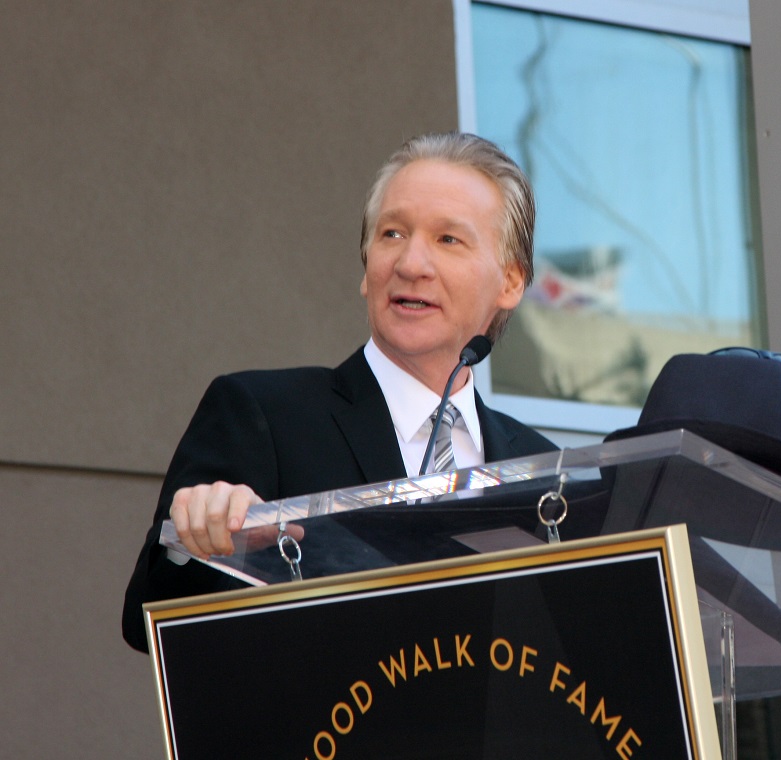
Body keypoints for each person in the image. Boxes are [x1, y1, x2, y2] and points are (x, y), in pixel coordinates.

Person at [122, 132, 558, 652]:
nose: (410, 264)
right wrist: (200, 543)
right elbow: (147, 621)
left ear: (510, 282)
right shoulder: (264, 416)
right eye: (392, 233)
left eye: (448, 240)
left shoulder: (544, 471)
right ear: (367, 268)